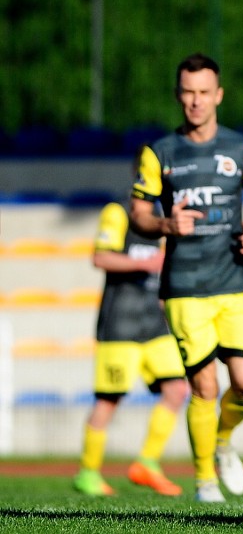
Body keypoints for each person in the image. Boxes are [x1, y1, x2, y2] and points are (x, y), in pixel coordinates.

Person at [130, 53, 243, 502]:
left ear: (218, 95)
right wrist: (166, 225)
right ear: (179, 96)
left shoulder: (242, 148)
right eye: (188, 93)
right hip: (185, 288)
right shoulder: (160, 152)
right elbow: (138, 214)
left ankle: (222, 439)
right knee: (205, 386)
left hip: (233, 282)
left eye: (204, 92)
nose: (195, 101)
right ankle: (204, 478)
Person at [73, 194, 189, 497]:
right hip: (119, 324)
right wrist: (146, 262)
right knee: (109, 400)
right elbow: (101, 257)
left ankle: (147, 463)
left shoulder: (165, 217)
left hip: (153, 323)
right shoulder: (118, 213)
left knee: (177, 389)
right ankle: (88, 473)